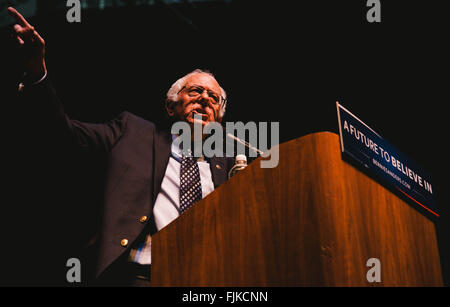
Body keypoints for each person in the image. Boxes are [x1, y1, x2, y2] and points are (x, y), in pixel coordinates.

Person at [7, 7, 235, 286]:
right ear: (171, 106)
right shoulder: (133, 133)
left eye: (214, 98)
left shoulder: (231, 164)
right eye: (196, 91)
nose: (205, 100)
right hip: (139, 277)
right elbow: (64, 134)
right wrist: (36, 72)